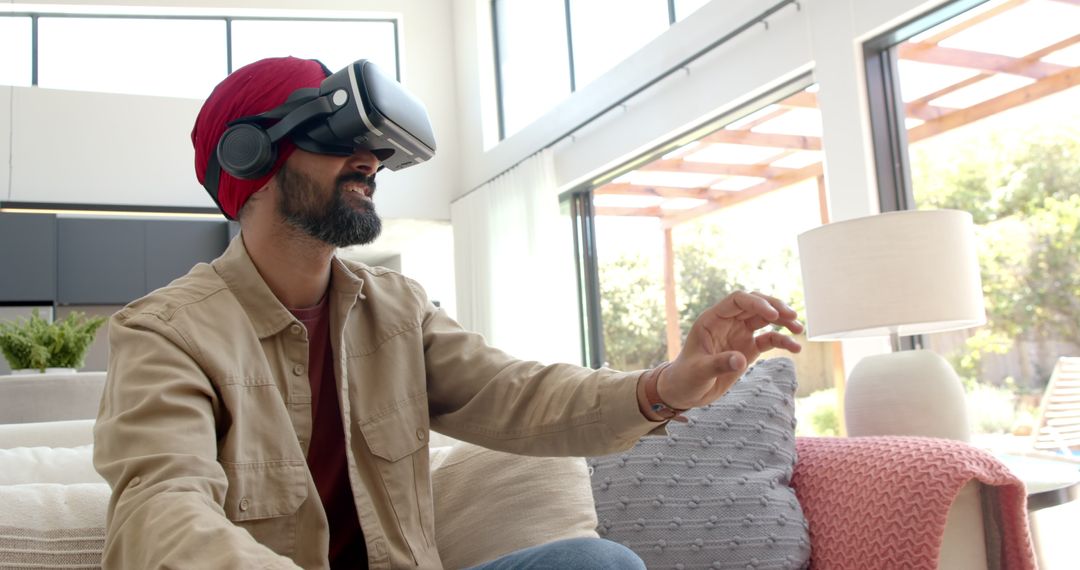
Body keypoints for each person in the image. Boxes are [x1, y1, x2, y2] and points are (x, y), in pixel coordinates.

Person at [92, 56, 804, 569]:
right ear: (249, 157)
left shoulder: (396, 309)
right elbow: (161, 513)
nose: (370, 160)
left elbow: (520, 395)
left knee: (598, 564)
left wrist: (666, 386)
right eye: (337, 137)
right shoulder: (166, 333)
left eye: (374, 146)